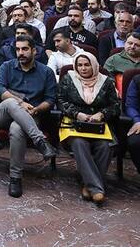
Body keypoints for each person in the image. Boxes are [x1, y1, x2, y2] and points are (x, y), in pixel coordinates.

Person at [0, 35, 58, 198]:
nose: (20, 53)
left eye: (24, 49)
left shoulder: (46, 72)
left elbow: (50, 99)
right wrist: (20, 102)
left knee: (17, 128)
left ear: (34, 51)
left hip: (32, 115)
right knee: (11, 102)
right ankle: (40, 140)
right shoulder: (7, 66)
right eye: (17, 49)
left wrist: (37, 109)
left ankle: (15, 178)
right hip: (4, 113)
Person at [57, 52, 120, 205]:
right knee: (79, 143)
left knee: (105, 146)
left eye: (87, 65)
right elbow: (60, 101)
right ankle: (97, 189)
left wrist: (102, 114)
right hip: (74, 123)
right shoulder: (68, 79)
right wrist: (77, 114)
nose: (83, 68)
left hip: (98, 124)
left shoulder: (106, 82)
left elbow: (115, 106)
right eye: (80, 65)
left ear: (94, 65)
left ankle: (88, 184)